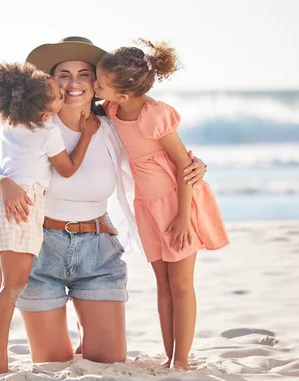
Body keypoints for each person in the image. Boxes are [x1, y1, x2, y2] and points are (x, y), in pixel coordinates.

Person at [0, 37, 208, 365]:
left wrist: (196, 164)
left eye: (83, 73)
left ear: (97, 83)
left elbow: (158, 150)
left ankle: (89, 330)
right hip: (41, 252)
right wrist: (1, 183)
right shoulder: (31, 127)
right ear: (49, 81)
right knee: (51, 361)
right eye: (63, 74)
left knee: (107, 361)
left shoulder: (113, 127)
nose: (74, 83)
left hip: (98, 252)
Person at [94, 40, 229, 369]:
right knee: (163, 284)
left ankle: (181, 362)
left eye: (98, 82)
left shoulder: (155, 115)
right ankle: (170, 356)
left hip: (176, 204)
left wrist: (184, 217)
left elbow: (185, 166)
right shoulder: (113, 109)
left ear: (124, 94)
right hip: (146, 207)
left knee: (181, 284)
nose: (93, 86)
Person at [0, 62, 98, 374]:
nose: (63, 96)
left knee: (4, 282)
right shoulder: (47, 130)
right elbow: (67, 169)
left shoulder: (8, 127)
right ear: (44, 109)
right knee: (15, 283)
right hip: (22, 205)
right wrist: (86, 135)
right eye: (58, 95)